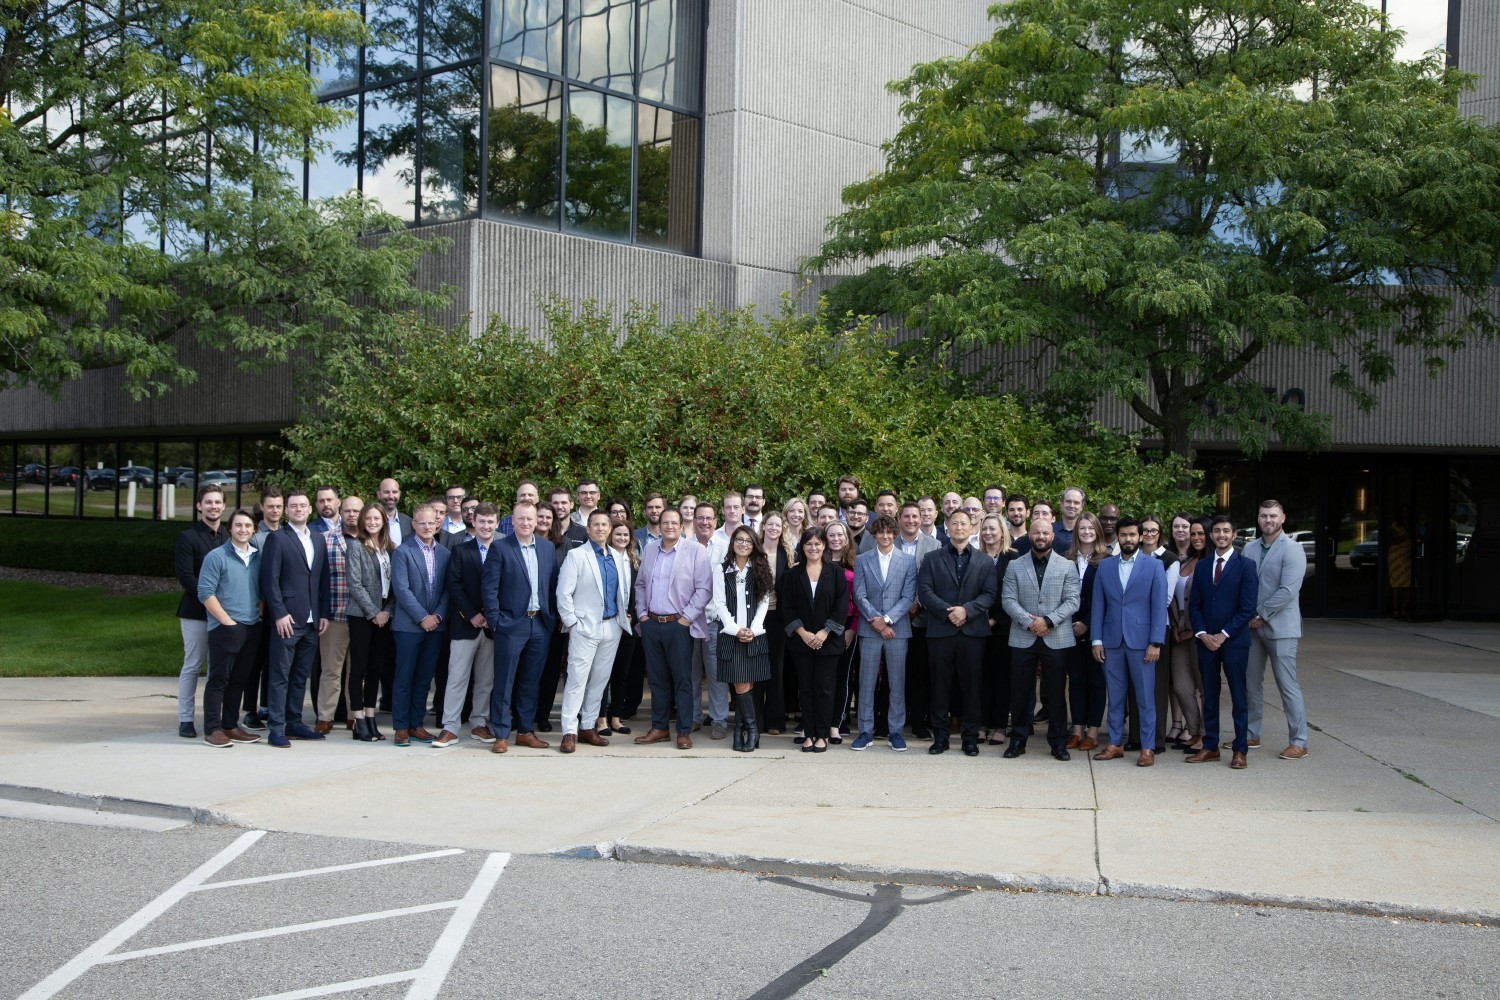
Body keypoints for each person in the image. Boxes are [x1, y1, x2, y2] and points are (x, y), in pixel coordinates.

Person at [916, 510, 998, 756]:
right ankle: (940, 737)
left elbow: (989, 594)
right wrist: (948, 612)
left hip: (972, 633)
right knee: (939, 687)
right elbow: (925, 591)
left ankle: (970, 738)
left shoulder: (984, 561)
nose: (959, 528)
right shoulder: (932, 558)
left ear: (972, 528)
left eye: (964, 523)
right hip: (941, 631)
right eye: (954, 524)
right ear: (947, 528)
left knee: (972, 687)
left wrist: (966, 611)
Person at [481, 500, 559, 753]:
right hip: (510, 625)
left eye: (530, 519)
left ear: (537, 521)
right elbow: (489, 589)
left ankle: (525, 731)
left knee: (530, 681)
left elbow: (552, 586)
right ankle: (501, 733)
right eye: (521, 519)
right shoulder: (500, 548)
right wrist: (496, 622)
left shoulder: (547, 548)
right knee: (504, 681)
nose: (526, 523)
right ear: (512, 521)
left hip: (539, 624)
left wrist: (551, 618)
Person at [1090, 518, 1169, 767]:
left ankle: (1147, 748)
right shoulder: (1105, 567)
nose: (1128, 539)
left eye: (1132, 534)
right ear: (1118, 536)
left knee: (1145, 698)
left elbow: (1159, 607)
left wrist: (1156, 642)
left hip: (1142, 642)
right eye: (1124, 535)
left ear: (1141, 536)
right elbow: (1098, 606)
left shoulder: (1154, 566)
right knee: (1114, 697)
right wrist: (1096, 640)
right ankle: (1114, 743)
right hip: (1111, 641)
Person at [1000, 518, 1080, 761]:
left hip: (1056, 636)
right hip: (1023, 636)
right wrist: (1029, 622)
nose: (1041, 536)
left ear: (1052, 536)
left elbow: (1073, 600)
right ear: (1030, 535)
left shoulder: (1067, 566)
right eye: (1037, 532)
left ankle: (1058, 743)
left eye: (1046, 532)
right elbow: (1008, 600)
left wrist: (1047, 621)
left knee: (1055, 693)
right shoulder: (1015, 565)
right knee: (1020, 693)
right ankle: (1018, 741)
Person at [555, 510, 633, 753]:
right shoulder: (577, 556)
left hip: (612, 627)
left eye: (604, 524)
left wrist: (622, 618)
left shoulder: (619, 558)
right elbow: (563, 593)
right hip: (584, 628)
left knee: (599, 681)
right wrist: (573, 624)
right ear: (587, 530)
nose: (600, 528)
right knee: (577, 680)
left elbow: (624, 592)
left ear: (610, 529)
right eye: (595, 525)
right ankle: (569, 730)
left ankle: (588, 726)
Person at [633, 508, 712, 750]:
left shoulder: (695, 551)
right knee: (657, 680)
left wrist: (686, 618)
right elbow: (641, 584)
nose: (669, 526)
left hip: (679, 625)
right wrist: (642, 615)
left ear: (681, 526)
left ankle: (683, 731)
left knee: (683, 680)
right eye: (665, 522)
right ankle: (659, 728)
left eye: (674, 523)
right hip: (652, 624)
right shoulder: (649, 549)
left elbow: (704, 589)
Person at [1188, 516, 1259, 768]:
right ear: (1211, 535)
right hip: (1206, 642)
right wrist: (1202, 633)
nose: (1221, 535)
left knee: (1239, 695)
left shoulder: (1246, 566)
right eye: (1216, 531)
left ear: (1234, 534)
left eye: (1226, 531)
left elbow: (1248, 607)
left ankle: (1240, 750)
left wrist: (1223, 634)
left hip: (1234, 642)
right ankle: (1210, 746)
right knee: (1210, 695)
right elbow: (1194, 604)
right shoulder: (1204, 566)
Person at [259, 489, 327, 748]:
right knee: (280, 675)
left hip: (312, 620)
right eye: (293, 506)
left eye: (302, 505)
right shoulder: (278, 539)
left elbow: (322, 579)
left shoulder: (318, 539)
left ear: (310, 509)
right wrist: (279, 613)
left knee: (300, 675)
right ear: (287, 511)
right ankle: (276, 728)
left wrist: (323, 615)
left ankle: (294, 722)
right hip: (287, 619)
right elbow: (270, 580)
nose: (298, 509)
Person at [1243, 500, 1310, 760]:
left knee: (1287, 685)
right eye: (1263, 516)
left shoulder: (1292, 549)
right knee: (1251, 684)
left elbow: (1288, 590)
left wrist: (1260, 614)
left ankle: (1299, 741)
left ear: (1283, 518)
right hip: (1252, 629)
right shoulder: (1249, 548)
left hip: (1281, 629)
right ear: (1258, 519)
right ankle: (1251, 734)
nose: (1267, 520)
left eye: (1272, 516)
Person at [195, 509, 263, 747]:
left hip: (252, 626)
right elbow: (205, 592)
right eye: (238, 525)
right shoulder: (216, 556)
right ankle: (213, 729)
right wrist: (226, 621)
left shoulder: (257, 557)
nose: (243, 530)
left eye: (247, 525)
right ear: (229, 529)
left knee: (239, 679)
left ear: (254, 529)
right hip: (225, 628)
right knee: (219, 679)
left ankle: (231, 725)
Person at [434, 502, 499, 748]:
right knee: (457, 678)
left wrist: (492, 618)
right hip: (465, 625)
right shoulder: (461, 551)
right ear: (474, 521)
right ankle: (449, 727)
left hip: (492, 628)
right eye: (481, 521)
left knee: (486, 680)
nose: (485, 526)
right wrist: (471, 614)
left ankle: (479, 723)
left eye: (490, 521)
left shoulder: (503, 549)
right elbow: (454, 585)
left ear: (496, 523)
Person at [780, 526, 847, 753]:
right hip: (802, 642)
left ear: (824, 546)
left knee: (825, 689)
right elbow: (786, 607)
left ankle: (822, 734)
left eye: (818, 543)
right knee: (806, 688)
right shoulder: (793, 574)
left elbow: (841, 607)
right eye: (809, 544)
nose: (813, 547)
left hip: (828, 642)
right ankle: (808, 733)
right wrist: (803, 633)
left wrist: (824, 632)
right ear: (803, 547)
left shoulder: (836, 572)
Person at [852, 514, 916, 752]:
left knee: (896, 682)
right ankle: (865, 731)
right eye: (881, 532)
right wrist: (877, 621)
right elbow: (859, 595)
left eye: (890, 532)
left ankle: (895, 731)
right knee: (866, 682)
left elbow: (908, 596)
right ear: (875, 534)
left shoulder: (908, 562)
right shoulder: (863, 559)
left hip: (898, 630)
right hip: (869, 630)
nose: (885, 536)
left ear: (895, 534)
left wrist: (888, 620)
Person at [390, 503, 449, 747]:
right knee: (404, 677)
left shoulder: (445, 553)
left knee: (425, 679)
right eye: (421, 522)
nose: (427, 527)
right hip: (409, 626)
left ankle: (417, 725)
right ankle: (401, 727)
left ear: (438, 525)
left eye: (431, 522)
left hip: (436, 626)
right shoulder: (403, 552)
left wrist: (436, 616)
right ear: (413, 525)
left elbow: (448, 589)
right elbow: (401, 590)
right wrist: (422, 617)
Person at [710, 525, 773, 751]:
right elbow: (719, 603)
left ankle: (739, 731)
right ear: (733, 542)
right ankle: (752, 730)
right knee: (740, 683)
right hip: (731, 635)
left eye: (748, 540)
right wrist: (736, 629)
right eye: (739, 539)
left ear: (754, 544)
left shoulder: (761, 567)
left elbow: (764, 602)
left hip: (754, 635)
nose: (743, 544)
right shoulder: (722, 569)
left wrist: (753, 629)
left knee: (748, 683)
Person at [173, 484, 225, 738]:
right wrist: (209, 600)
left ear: (223, 506)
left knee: (219, 668)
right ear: (199, 506)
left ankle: (215, 720)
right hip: (196, 611)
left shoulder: (230, 536)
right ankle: (185, 719)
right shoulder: (188, 537)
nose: (213, 506)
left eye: (217, 502)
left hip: (226, 614)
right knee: (193, 665)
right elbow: (185, 576)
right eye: (208, 502)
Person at [345, 503, 395, 741]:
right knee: (359, 669)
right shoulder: (355, 546)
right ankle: (358, 719)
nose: (372, 522)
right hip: (362, 616)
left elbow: (394, 586)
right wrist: (374, 612)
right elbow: (354, 584)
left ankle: (371, 716)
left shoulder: (389, 548)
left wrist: (386, 612)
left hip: (384, 616)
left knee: (375, 669)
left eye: (377, 518)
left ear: (383, 522)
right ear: (362, 521)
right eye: (369, 518)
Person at [313, 495, 362, 734]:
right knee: (331, 670)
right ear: (340, 512)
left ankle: (355, 715)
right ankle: (325, 716)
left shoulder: (371, 541)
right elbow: (317, 579)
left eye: (357, 511)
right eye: (348, 511)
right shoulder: (324, 540)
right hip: (335, 615)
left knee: (357, 671)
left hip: (364, 618)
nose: (352, 514)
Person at [1065, 513, 1109, 752]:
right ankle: (1077, 729)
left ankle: (1092, 731)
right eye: (1082, 528)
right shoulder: (1066, 558)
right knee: (1076, 681)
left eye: (1090, 528)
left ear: (1098, 531)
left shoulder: (1107, 560)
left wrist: (1087, 622)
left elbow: (1108, 599)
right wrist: (1071, 621)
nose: (1086, 532)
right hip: (1069, 629)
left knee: (1096, 680)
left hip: (1096, 629)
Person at [897, 501, 940, 739]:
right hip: (893, 618)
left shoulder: (934, 545)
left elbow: (935, 580)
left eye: (916, 516)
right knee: (895, 673)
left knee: (921, 674)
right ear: (899, 518)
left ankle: (919, 722)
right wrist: (900, 608)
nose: (912, 520)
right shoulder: (887, 541)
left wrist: (917, 603)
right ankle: (894, 720)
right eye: (907, 516)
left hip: (922, 619)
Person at [242, 485, 285, 731]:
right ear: (262, 507)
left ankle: (267, 706)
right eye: (270, 506)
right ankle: (250, 710)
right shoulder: (256, 537)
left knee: (273, 661)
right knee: (255, 661)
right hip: (260, 608)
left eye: (279, 506)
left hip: (279, 608)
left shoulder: (287, 534)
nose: (275, 510)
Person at [1166, 518, 1208, 752]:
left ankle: (1204, 734)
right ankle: (1193, 731)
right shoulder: (1185, 561)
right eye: (1193, 534)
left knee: (1203, 686)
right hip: (1179, 631)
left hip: (1201, 632)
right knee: (1181, 685)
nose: (1196, 538)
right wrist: (1174, 625)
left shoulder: (1211, 563)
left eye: (1201, 533)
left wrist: (1196, 627)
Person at [977, 513, 1018, 744]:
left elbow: (1015, 593)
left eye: (993, 528)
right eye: (985, 529)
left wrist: (996, 620)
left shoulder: (1014, 558)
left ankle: (1000, 726)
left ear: (1002, 531)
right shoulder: (976, 556)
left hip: (1004, 628)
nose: (988, 533)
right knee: (981, 678)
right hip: (978, 628)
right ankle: (981, 724)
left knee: (1002, 678)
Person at [600, 522, 641, 736]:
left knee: (621, 674)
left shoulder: (635, 563)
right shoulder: (604, 560)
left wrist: (633, 616)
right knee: (602, 674)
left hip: (628, 627)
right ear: (610, 536)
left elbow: (640, 593)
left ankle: (615, 717)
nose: (622, 538)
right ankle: (600, 719)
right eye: (618, 534)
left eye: (626, 534)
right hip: (606, 624)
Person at [757, 510, 796, 736]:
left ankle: (774, 720)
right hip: (754, 618)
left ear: (782, 530)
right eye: (770, 524)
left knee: (776, 669)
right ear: (763, 526)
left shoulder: (787, 553)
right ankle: (757, 718)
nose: (774, 528)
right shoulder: (754, 550)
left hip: (777, 617)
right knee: (756, 668)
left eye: (778, 526)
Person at [377, 478, 412, 547]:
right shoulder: (371, 521)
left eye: (395, 492)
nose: (391, 496)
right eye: (386, 492)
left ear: (399, 494)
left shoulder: (408, 522)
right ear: (379, 494)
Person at [1054, 488, 1085, 554]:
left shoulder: (1087, 533)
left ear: (1082, 506)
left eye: (1076, 503)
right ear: (1061, 504)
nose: (1072, 506)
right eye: (1068, 501)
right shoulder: (1050, 530)